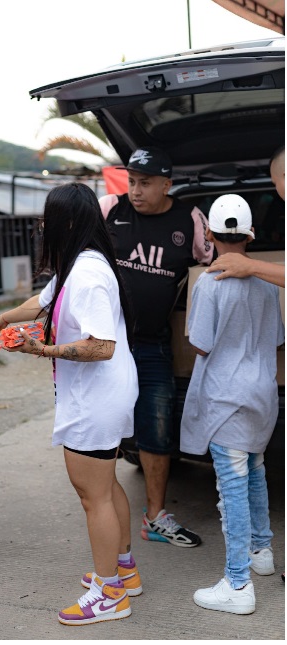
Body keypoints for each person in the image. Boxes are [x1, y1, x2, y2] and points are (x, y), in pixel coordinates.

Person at [0, 182, 139, 626]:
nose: (42, 226)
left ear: (66, 222)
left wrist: (41, 351)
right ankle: (123, 571)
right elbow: (45, 300)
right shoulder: (81, 265)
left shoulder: (87, 276)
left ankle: (108, 593)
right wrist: (3, 317)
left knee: (93, 496)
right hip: (102, 394)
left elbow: (101, 346)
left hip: (97, 398)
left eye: (47, 218)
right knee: (105, 486)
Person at [99, 146, 211, 548]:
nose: (136, 190)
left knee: (158, 428)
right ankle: (101, 509)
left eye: (145, 183)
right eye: (132, 181)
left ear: (167, 184)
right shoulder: (109, 208)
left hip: (152, 345)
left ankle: (154, 517)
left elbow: (210, 268)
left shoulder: (190, 219)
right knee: (101, 429)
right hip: (104, 345)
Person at [180, 194, 284, 615]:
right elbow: (277, 341)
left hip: (226, 398)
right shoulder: (266, 282)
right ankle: (262, 553)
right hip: (263, 394)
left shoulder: (209, 283)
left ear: (209, 234)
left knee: (233, 486)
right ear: (250, 234)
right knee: (255, 471)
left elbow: (200, 345)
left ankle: (238, 584)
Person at [205, 147, 285, 288]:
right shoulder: (268, 284)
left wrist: (250, 266)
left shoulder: (206, 283)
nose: (277, 190)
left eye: (274, 183)